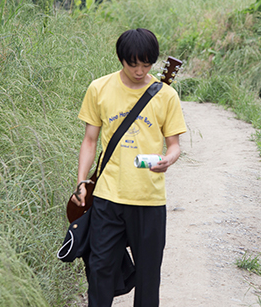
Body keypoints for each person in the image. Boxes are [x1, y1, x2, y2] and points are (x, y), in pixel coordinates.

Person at [71, 28, 187, 306]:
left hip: (149, 199)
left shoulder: (166, 95)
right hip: (108, 197)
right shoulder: (99, 88)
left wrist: (168, 159)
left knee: (148, 276)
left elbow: (174, 145)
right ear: (121, 59)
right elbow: (90, 140)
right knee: (99, 269)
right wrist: (81, 181)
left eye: (146, 64)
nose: (139, 71)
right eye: (132, 64)